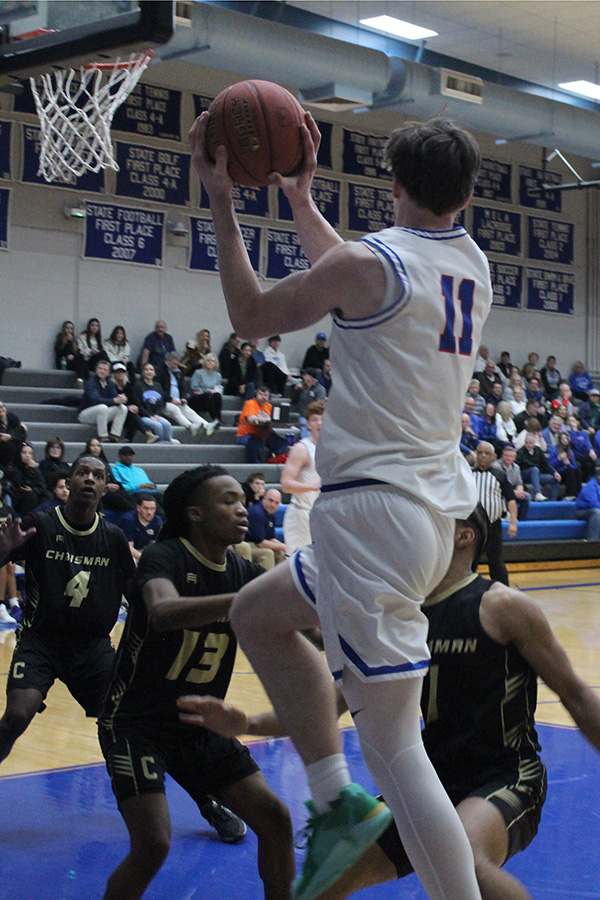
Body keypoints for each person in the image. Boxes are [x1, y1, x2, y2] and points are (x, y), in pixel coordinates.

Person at [191, 110, 492, 900]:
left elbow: (252, 317)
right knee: (258, 611)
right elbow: (362, 276)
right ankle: (332, 800)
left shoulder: (372, 263)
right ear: (464, 193)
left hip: (374, 519)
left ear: (392, 184)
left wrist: (224, 203)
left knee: (396, 750)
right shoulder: (469, 263)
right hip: (424, 517)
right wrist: (298, 204)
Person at [179, 506, 600, 900]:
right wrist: (246, 723)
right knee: (321, 887)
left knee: (465, 860)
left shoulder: (502, 605)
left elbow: (577, 694)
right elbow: (328, 704)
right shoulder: (396, 617)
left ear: (463, 536)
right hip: (426, 778)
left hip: (506, 775)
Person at [98, 466, 294, 900]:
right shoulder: (164, 556)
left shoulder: (243, 571)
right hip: (136, 724)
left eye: (242, 499)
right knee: (153, 844)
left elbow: (305, 630)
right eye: (227, 500)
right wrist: (247, 600)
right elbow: (164, 612)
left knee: (276, 818)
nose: (241, 508)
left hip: (199, 723)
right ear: (195, 513)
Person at [0, 454, 136, 766]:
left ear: (104, 488)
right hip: (41, 641)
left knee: (120, 720)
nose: (90, 478)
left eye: (98, 475)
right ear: (68, 483)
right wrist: (4, 548)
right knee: (18, 715)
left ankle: (132, 786)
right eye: (83, 473)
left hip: (93, 648)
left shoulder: (113, 538)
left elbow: (136, 595)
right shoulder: (40, 525)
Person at [281, 401, 323, 555]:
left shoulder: (332, 448)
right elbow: (286, 485)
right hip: (301, 515)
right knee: (301, 569)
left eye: (323, 419)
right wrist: (312, 486)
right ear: (308, 424)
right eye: (314, 419)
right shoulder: (302, 448)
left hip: (322, 515)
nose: (319, 423)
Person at [471, 442, 517, 585]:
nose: (483, 456)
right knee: (470, 562)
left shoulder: (499, 475)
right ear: (476, 455)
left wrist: (513, 523)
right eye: (480, 452)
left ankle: (503, 591)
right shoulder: (467, 474)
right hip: (472, 527)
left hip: (493, 526)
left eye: (487, 453)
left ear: (494, 457)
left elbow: (511, 500)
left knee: (496, 561)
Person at [158, 351, 213, 436]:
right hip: (164, 401)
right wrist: (170, 399)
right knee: (175, 410)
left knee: (188, 410)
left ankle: (206, 425)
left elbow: (182, 388)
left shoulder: (177, 373)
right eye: (175, 364)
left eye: (177, 364)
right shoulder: (160, 371)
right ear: (169, 360)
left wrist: (183, 398)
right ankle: (190, 426)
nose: (176, 366)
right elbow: (158, 389)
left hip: (177, 400)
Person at [77, 359, 128, 443]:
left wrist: (120, 399)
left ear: (109, 372)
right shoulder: (91, 383)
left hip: (102, 413)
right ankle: (103, 436)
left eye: (105, 370)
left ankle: (114, 435)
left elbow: (114, 399)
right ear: (96, 370)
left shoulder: (110, 384)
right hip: (85, 414)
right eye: (100, 369)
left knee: (123, 408)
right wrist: (114, 400)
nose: (102, 371)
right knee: (102, 407)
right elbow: (95, 400)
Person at [236, 387, 288, 464]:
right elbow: (251, 419)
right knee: (255, 444)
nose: (263, 397)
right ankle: (256, 465)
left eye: (265, 395)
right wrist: (267, 419)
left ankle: (271, 460)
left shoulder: (269, 407)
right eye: (260, 394)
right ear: (256, 395)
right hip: (247, 434)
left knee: (282, 444)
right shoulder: (250, 403)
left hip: (264, 434)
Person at [110, 363, 160, 444]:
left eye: (122, 372)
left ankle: (129, 440)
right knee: (131, 413)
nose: (120, 374)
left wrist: (134, 407)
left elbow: (135, 401)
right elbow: (111, 401)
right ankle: (147, 433)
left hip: (127, 415)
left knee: (133, 415)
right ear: (114, 373)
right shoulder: (111, 385)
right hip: (114, 413)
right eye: (117, 372)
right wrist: (128, 406)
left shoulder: (128, 386)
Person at [133, 363, 177, 444]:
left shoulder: (158, 386)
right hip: (144, 416)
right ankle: (158, 445)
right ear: (142, 373)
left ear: (154, 373)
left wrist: (157, 414)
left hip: (156, 415)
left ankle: (167, 444)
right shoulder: (138, 386)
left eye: (151, 370)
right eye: (146, 370)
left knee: (167, 425)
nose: (149, 372)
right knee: (158, 426)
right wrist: (150, 416)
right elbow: (138, 405)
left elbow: (161, 404)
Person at [245, 488, 287, 570]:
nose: (273, 505)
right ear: (264, 499)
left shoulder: (271, 515)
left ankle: (280, 580)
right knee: (268, 553)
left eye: (276, 503)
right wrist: (285, 547)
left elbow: (271, 538)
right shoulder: (257, 513)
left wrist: (286, 548)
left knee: (281, 553)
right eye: (271, 501)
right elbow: (261, 543)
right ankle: (266, 582)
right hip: (245, 544)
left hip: (257, 543)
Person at [6, 441, 51, 515]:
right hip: (18, 496)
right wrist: (30, 470)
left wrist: (34, 469)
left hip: (33, 496)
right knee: (29, 496)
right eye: (24, 453)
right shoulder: (12, 468)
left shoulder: (34, 468)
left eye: (30, 453)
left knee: (47, 497)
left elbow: (42, 487)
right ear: (19, 454)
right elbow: (20, 483)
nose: (27, 456)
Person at [516, 432, 560, 501]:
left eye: (530, 443)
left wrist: (554, 472)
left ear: (534, 442)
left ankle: (553, 501)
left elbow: (545, 464)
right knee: (534, 469)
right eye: (527, 443)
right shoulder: (520, 452)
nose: (528, 445)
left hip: (537, 475)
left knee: (554, 479)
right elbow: (518, 467)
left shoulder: (538, 450)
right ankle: (538, 493)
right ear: (524, 442)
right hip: (525, 475)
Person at [119, 496, 163, 562]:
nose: (149, 512)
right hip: (127, 552)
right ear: (138, 508)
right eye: (146, 508)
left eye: (152, 509)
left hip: (144, 550)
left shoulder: (157, 521)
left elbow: (157, 543)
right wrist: (144, 558)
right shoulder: (128, 520)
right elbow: (128, 547)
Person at [492, 444, 530, 520]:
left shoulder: (516, 467)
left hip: (511, 491)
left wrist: (520, 491)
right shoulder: (496, 466)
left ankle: (521, 521)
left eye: (511, 456)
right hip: (498, 492)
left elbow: (519, 482)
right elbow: (499, 485)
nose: (508, 458)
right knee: (502, 495)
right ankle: (505, 516)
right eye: (506, 455)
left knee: (526, 496)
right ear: (502, 456)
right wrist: (513, 492)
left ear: (514, 458)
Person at [0, 481, 20, 624]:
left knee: (10, 563)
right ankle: (1, 605)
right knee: (3, 564)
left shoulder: (7, 509)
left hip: (6, 549)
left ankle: (14, 604)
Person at [187, 353, 223, 427]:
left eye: (212, 361)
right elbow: (194, 388)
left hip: (210, 399)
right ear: (205, 361)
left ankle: (218, 419)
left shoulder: (218, 376)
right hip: (197, 399)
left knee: (217, 396)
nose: (210, 362)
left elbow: (218, 390)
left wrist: (204, 391)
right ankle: (214, 419)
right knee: (209, 395)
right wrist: (208, 391)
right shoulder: (198, 372)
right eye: (208, 360)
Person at [548, 432, 581, 501]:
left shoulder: (570, 451)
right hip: (558, 473)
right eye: (562, 439)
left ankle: (578, 494)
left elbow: (574, 465)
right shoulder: (554, 450)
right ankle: (569, 495)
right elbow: (550, 465)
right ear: (559, 440)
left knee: (577, 470)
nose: (564, 440)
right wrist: (558, 459)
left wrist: (568, 464)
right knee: (570, 471)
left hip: (567, 472)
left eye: (566, 438)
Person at [567, 414, 597, 481]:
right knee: (586, 462)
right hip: (574, 454)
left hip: (584, 454)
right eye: (569, 421)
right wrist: (574, 430)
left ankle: (592, 480)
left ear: (577, 422)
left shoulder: (583, 433)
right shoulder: (568, 433)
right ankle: (585, 480)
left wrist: (591, 451)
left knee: (592, 459)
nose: (571, 422)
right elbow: (575, 444)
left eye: (572, 420)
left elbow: (588, 444)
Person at [574, 462, 600, 540]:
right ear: (598, 476)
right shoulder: (590, 486)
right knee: (597, 512)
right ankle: (592, 541)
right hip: (583, 511)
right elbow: (594, 504)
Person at [0, 400, 27, 469]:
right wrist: (14, 435)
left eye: (2, 407)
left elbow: (22, 434)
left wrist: (10, 436)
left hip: (16, 448)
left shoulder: (12, 417)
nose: (1, 409)